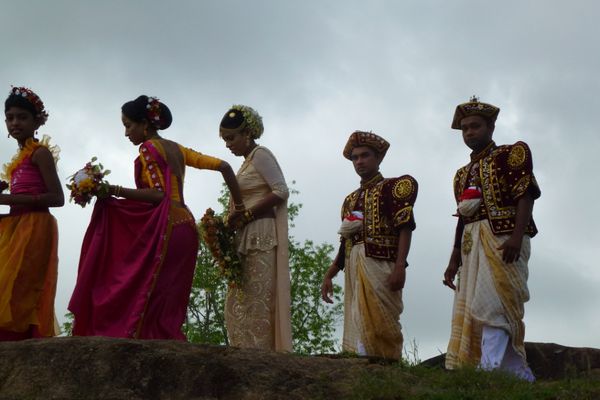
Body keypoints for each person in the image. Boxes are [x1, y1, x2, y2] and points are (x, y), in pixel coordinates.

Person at [68, 95, 243, 340]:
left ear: (145, 125)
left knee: (139, 283)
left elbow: (158, 195)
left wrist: (112, 191)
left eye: (129, 125)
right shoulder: (178, 149)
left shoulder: (148, 148)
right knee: (168, 295)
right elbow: (224, 166)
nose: (127, 132)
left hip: (166, 226)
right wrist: (240, 207)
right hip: (187, 226)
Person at [442, 97, 540, 381]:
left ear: (491, 126)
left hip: (504, 237)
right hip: (472, 245)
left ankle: (488, 370)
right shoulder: (461, 174)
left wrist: (516, 237)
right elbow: (462, 217)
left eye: (475, 126)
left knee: (495, 304)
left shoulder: (511, 154)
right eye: (464, 128)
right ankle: (518, 374)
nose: (469, 132)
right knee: (476, 306)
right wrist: (453, 259)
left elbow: (525, 195)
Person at [321, 131, 417, 360]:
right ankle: (365, 362)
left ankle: (386, 364)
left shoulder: (392, 188)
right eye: (355, 158)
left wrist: (400, 266)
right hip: (355, 262)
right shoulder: (350, 200)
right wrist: (330, 273)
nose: (359, 161)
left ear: (378, 158)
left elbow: (405, 226)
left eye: (365, 156)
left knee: (382, 319)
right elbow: (345, 242)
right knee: (360, 315)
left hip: (382, 263)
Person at [219, 105, 292, 352]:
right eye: (225, 139)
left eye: (231, 138)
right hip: (246, 234)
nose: (228, 145)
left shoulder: (261, 155)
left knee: (258, 300)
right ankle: (244, 350)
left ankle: (261, 354)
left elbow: (281, 191)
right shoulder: (245, 163)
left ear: (247, 133)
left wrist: (247, 215)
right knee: (241, 299)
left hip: (261, 232)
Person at [0, 86, 64, 340]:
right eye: (10, 117)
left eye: (22, 117)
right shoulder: (18, 159)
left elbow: (57, 198)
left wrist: (6, 198)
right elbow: (16, 205)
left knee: (21, 287)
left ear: (37, 121)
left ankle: (19, 342)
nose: (15, 123)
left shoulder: (40, 153)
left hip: (36, 227)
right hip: (17, 226)